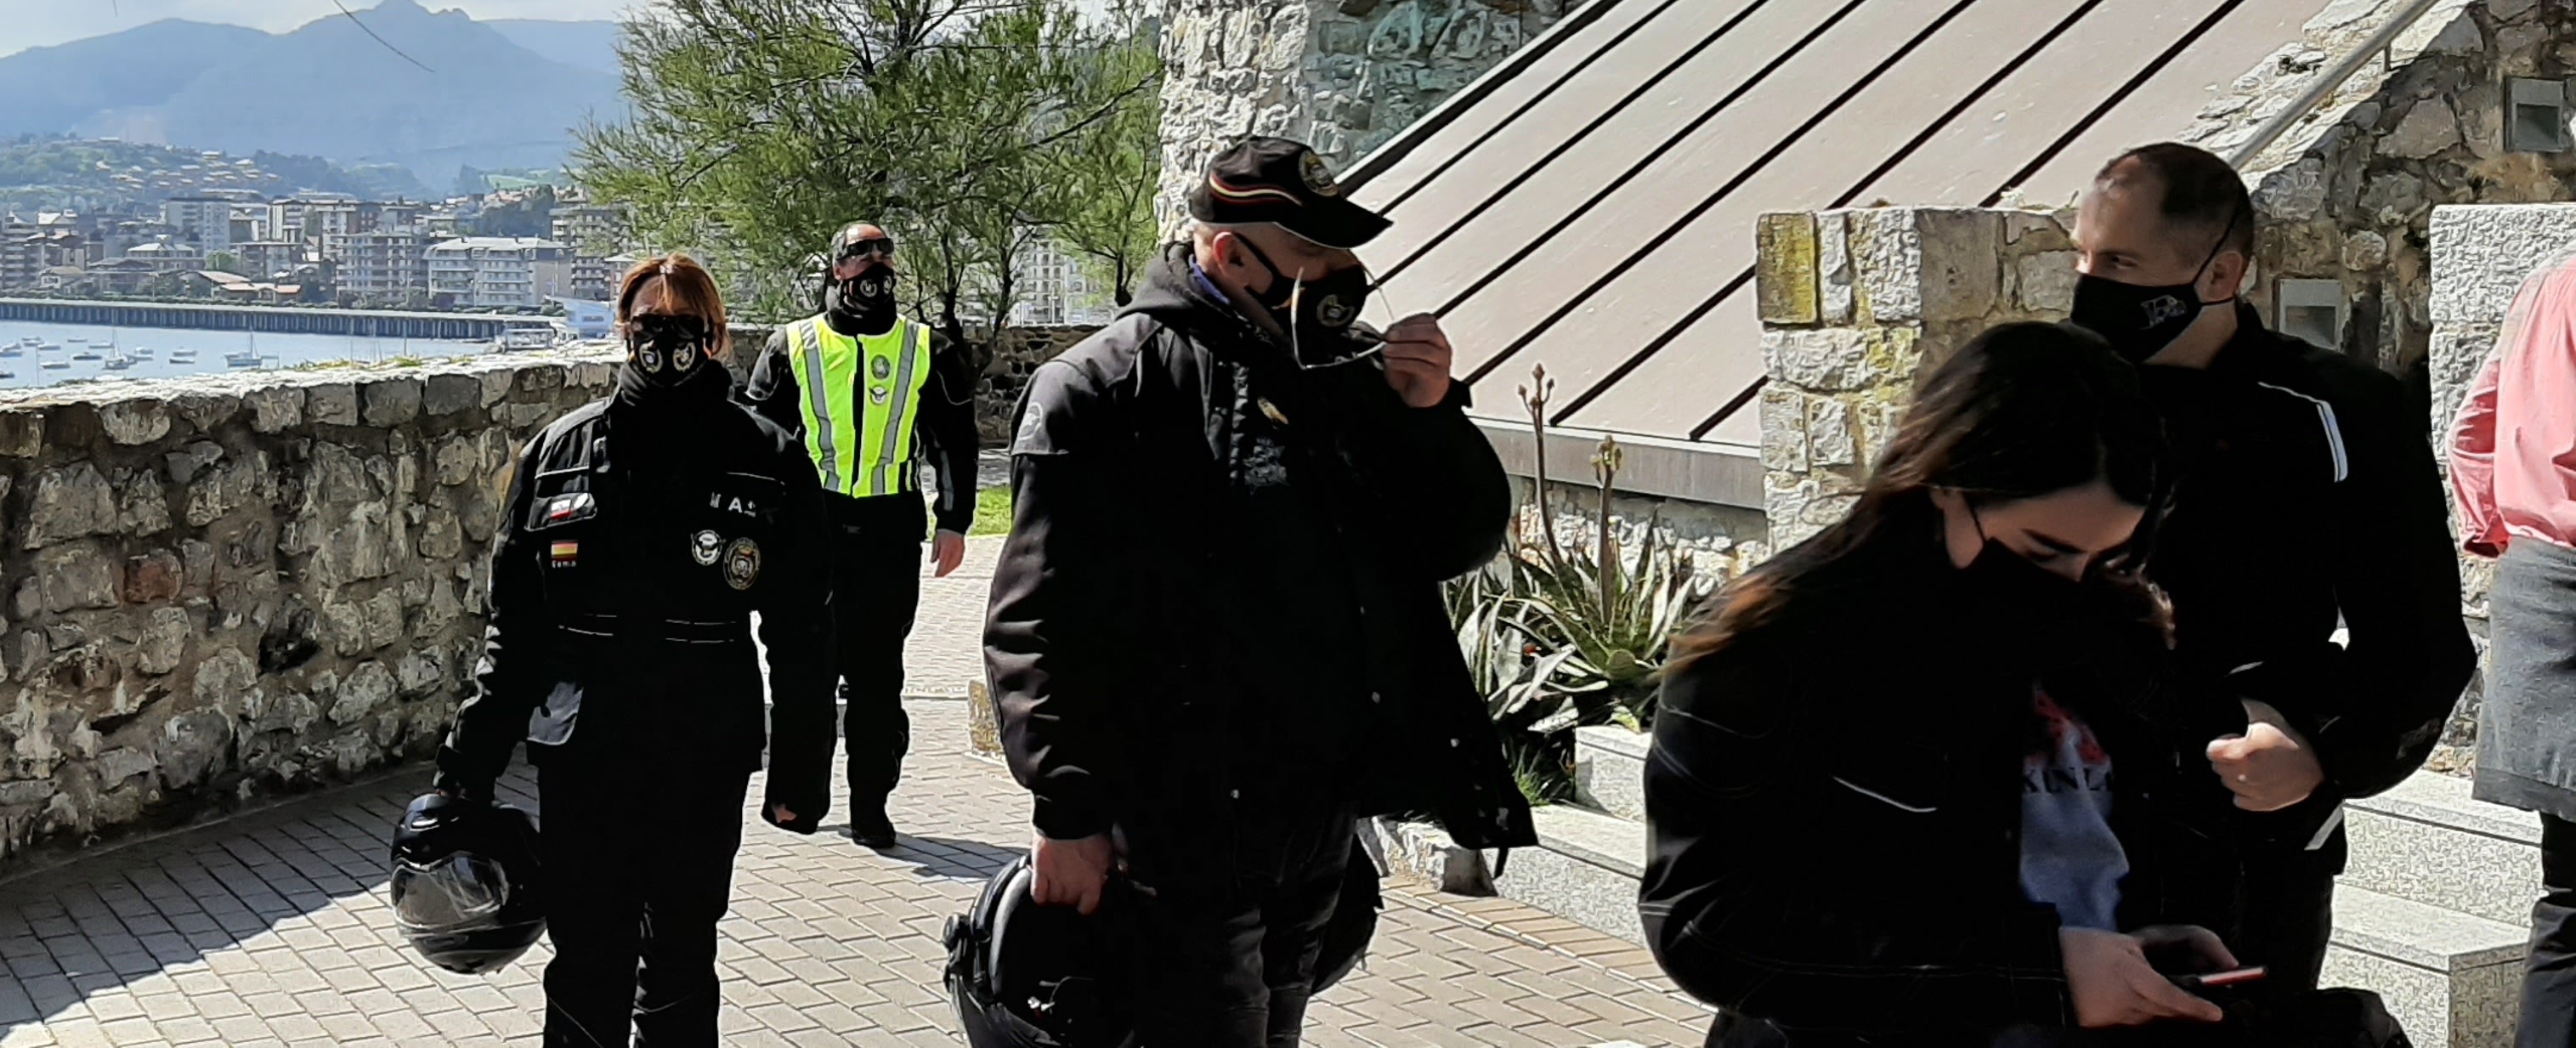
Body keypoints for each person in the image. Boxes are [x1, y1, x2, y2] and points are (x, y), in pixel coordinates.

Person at [986, 133, 1533, 1048]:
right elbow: (1037, 621)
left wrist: (1431, 418)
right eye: (1313, 253)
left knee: (1277, 1029)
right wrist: (1066, 812)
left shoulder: (1348, 375)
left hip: (1314, 815)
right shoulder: (1107, 387)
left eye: (1342, 252)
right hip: (1174, 819)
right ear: (1231, 256)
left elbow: (1453, 542)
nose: (1341, 274)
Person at [1642, 320, 2248, 1045]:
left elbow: (2147, 828)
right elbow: (1705, 926)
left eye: (2104, 557)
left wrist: (2156, 938)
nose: (2072, 583)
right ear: (1948, 483)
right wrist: (2035, 973)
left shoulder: (2112, 625)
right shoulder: (1774, 644)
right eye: (2043, 551)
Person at [2069, 144, 2475, 990]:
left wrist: (2323, 753)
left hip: (2248, 834)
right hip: (2058, 814)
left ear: (2221, 274)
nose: (2089, 284)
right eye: (2081, 258)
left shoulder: (2338, 411)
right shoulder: (2043, 395)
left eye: (2120, 264)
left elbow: (2421, 637)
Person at [431, 254, 837, 1048]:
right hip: (587, 746)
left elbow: (803, 633)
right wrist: (465, 768)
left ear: (715, 336)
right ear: (623, 330)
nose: (665, 339)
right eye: (650, 321)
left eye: (685, 323)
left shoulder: (768, 457)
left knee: (682, 951)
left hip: (703, 742)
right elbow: (515, 632)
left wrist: (800, 773)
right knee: (587, 952)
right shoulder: (560, 452)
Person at [744, 220, 979, 850]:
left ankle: (872, 803)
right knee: (804, 669)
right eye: (859, 252)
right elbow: (758, 441)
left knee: (877, 675)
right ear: (836, 268)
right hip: (810, 524)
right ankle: (798, 799)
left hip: (888, 527)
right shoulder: (792, 344)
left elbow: (955, 439)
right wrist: (757, 523)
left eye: (884, 251)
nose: (875, 262)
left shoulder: (926, 347)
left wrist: (954, 520)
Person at [2444, 252, 2576, 1048]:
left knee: (2569, 902)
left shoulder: (2548, 283)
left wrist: (2497, 533)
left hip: (2535, 584)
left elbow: (2473, 429)